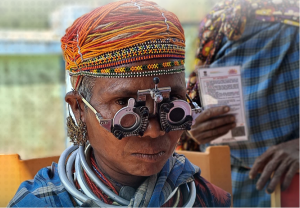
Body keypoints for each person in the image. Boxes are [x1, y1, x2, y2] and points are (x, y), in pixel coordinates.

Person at [7, 1, 231, 207]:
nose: (153, 131)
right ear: (78, 107)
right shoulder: (41, 203)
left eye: (170, 102)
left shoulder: (208, 200)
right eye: (125, 104)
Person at [182, 0, 300, 207]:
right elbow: (188, 97)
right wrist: (191, 122)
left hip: (288, 186)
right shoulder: (219, 21)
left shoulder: (294, 24)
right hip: (221, 186)